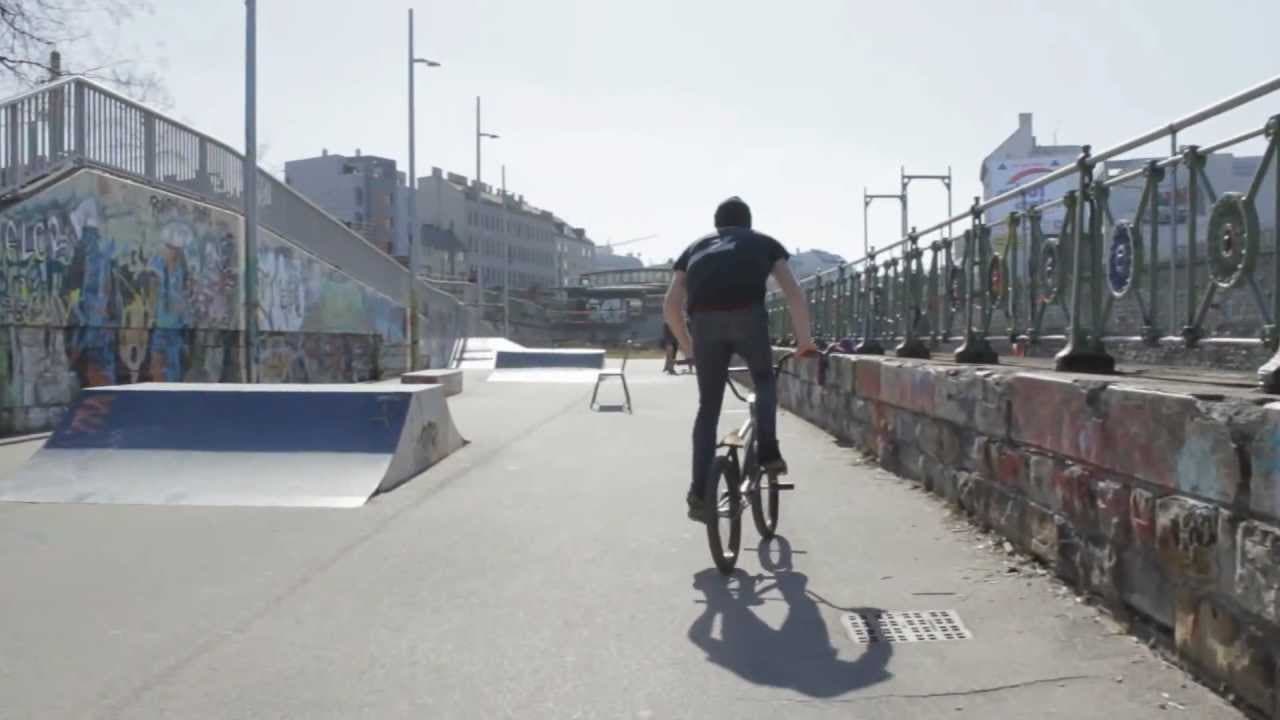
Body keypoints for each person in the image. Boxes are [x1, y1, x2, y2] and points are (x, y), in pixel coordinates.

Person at [663, 196, 818, 522]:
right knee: (764, 380)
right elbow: (793, 293)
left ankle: (699, 492)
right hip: (749, 316)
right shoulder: (763, 242)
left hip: (704, 323)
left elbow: (671, 304)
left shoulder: (694, 248)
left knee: (708, 408)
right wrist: (804, 342)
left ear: (717, 224)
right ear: (748, 223)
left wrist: (689, 348)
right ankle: (769, 450)